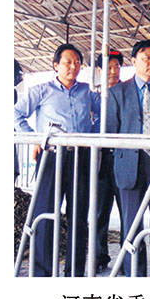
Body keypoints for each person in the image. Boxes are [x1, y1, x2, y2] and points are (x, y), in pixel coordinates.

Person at [14, 43, 100, 277]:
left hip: (80, 157)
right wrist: (35, 138)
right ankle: (42, 273)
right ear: (55, 65)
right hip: (51, 157)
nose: (73, 67)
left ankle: (75, 272)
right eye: (67, 62)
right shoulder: (42, 91)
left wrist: (91, 135)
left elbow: (106, 112)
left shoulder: (87, 92)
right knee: (45, 213)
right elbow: (15, 113)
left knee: (79, 215)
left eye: (77, 63)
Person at [106, 40, 150, 277]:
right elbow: (111, 131)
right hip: (130, 165)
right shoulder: (117, 92)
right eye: (146, 58)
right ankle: (134, 276)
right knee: (131, 224)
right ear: (134, 61)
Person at [94, 50, 124, 273]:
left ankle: (125, 259)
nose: (113, 72)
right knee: (99, 211)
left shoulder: (128, 93)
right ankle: (98, 256)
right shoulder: (93, 96)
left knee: (128, 212)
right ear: (99, 70)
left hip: (124, 158)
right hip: (100, 161)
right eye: (108, 68)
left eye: (117, 67)